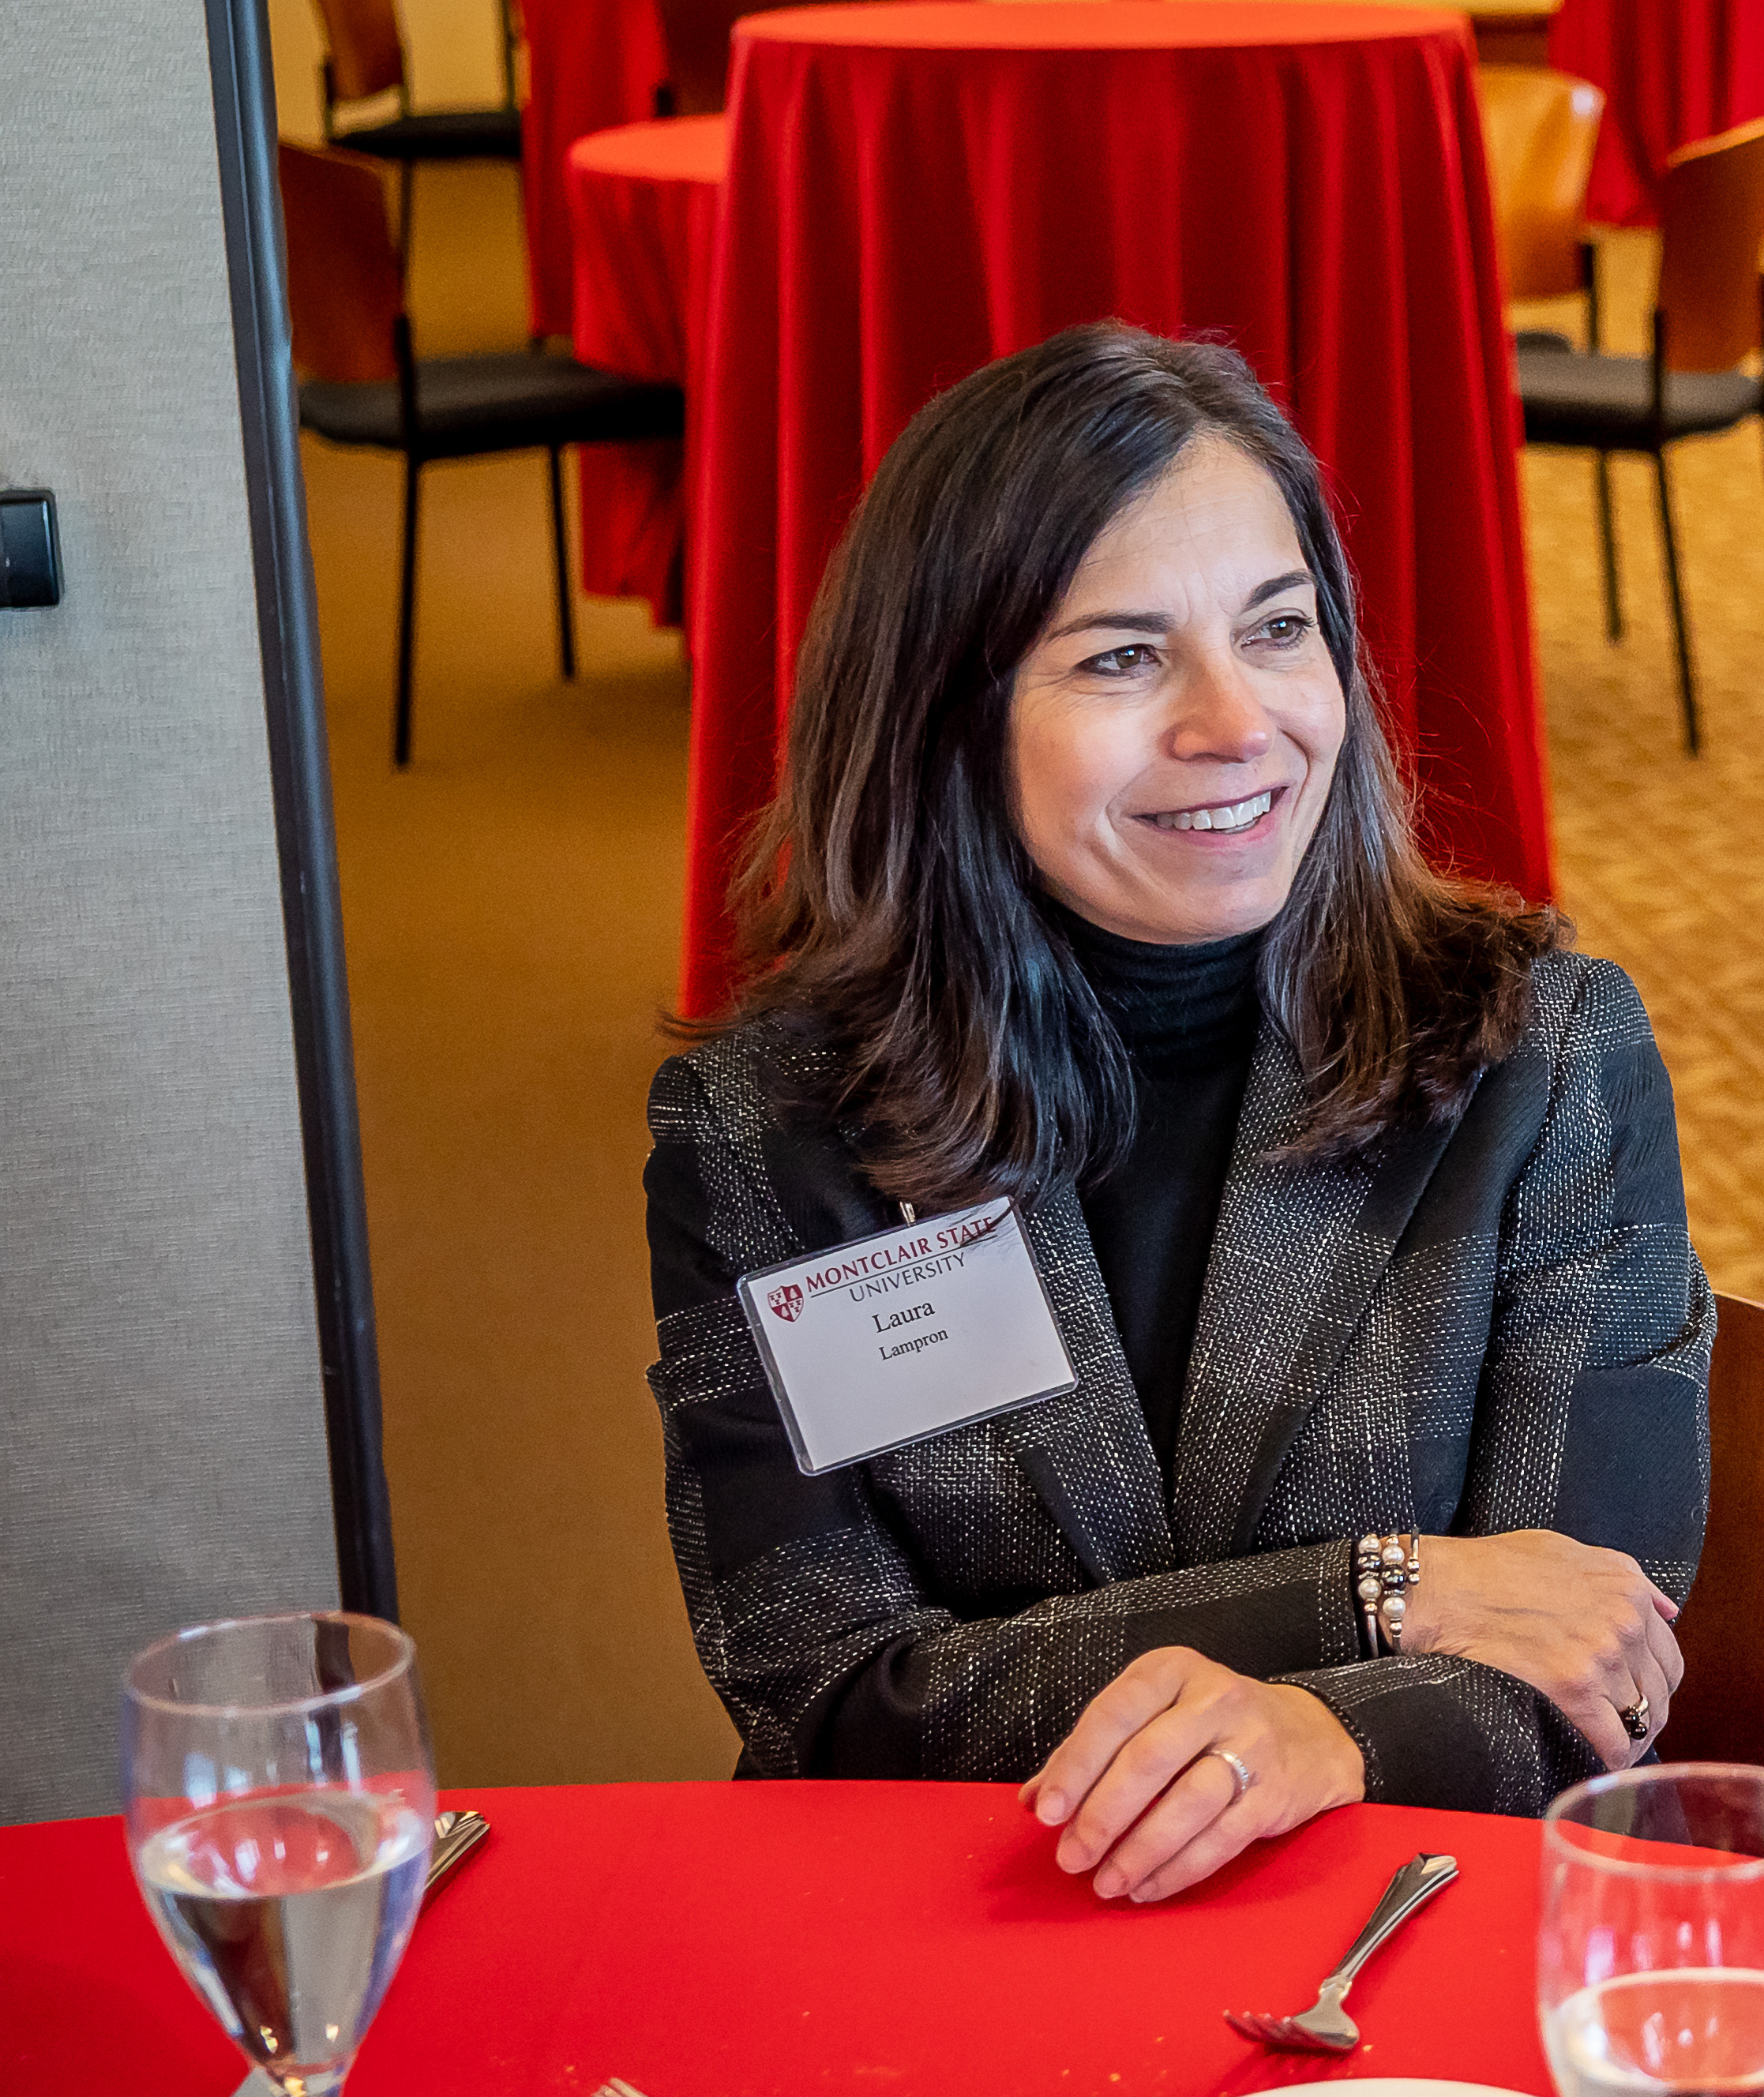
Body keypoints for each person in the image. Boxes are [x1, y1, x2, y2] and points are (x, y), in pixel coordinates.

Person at [645, 322, 1710, 1903]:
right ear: (950, 715)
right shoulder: (767, 1130)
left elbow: (1596, 1660)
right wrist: (1376, 1595)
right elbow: (832, 1702)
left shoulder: (1539, 1053)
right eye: (1122, 656)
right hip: (967, 1938)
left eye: (1278, 630)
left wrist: (1325, 1743)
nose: (1236, 721)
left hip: (1413, 1922)